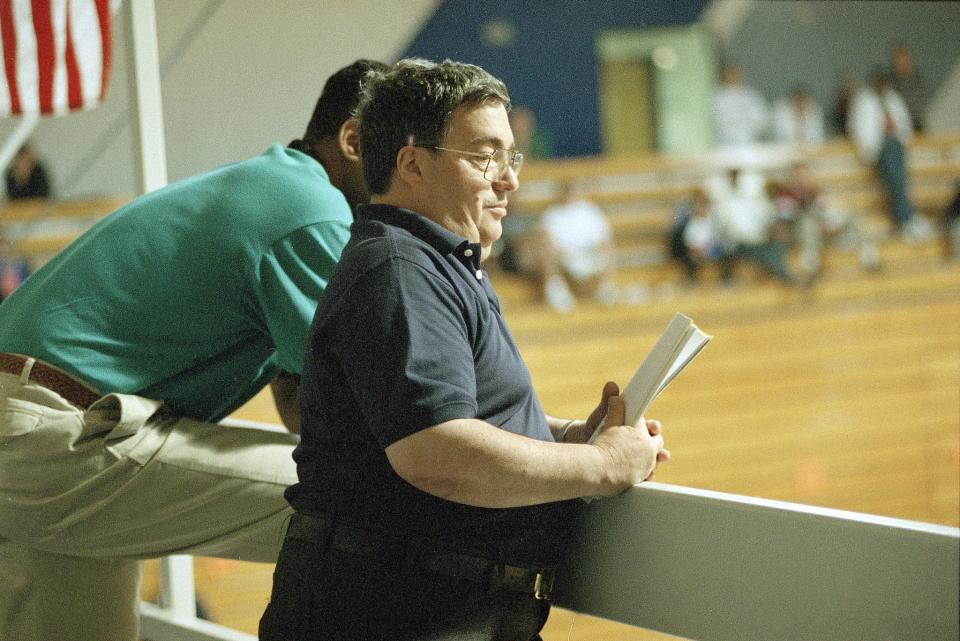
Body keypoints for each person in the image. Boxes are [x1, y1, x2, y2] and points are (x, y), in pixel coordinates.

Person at [259, 58, 669, 641]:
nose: (510, 180)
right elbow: (439, 453)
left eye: (511, 156)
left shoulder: (432, 263)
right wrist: (604, 465)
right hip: (398, 616)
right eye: (486, 156)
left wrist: (563, 439)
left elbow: (452, 417)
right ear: (412, 164)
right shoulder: (400, 270)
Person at [0, 58, 387, 641]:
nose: (418, 178)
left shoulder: (273, 184)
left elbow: (303, 394)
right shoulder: (312, 211)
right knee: (380, 496)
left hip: (38, 423)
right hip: (58, 433)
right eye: (414, 155)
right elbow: (373, 416)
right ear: (354, 141)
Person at [848, 69, 932, 240]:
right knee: (896, 176)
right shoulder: (864, 101)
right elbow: (859, 129)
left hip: (895, 146)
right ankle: (907, 218)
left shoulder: (893, 98)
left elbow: (904, 124)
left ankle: (906, 218)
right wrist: (872, 147)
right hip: (876, 149)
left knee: (897, 178)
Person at [537, 179, 618, 313]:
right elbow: (546, 239)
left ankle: (606, 288)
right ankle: (557, 291)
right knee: (546, 249)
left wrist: (598, 251)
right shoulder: (551, 215)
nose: (569, 195)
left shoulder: (590, 211)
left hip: (590, 254)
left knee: (607, 246)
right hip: (564, 257)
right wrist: (563, 253)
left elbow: (603, 238)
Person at [710, 63, 769, 149]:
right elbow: (716, 119)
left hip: (749, 142)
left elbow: (761, 118)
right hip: (723, 143)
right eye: (730, 73)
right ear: (723, 75)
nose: (733, 76)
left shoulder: (751, 95)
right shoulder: (716, 96)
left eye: (735, 73)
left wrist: (746, 128)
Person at [889, 42, 929, 133]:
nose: (901, 63)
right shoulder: (890, 84)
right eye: (898, 60)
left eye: (904, 59)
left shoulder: (919, 82)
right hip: (896, 129)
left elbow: (920, 105)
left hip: (917, 126)